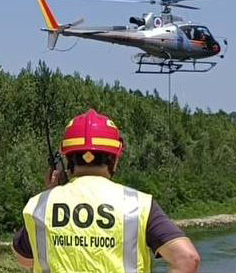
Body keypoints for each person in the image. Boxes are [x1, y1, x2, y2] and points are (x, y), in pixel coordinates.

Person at [12, 109, 200, 273]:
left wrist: (50, 194)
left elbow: (25, 260)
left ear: (68, 158)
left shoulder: (40, 206)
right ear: (114, 159)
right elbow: (186, 259)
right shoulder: (138, 204)